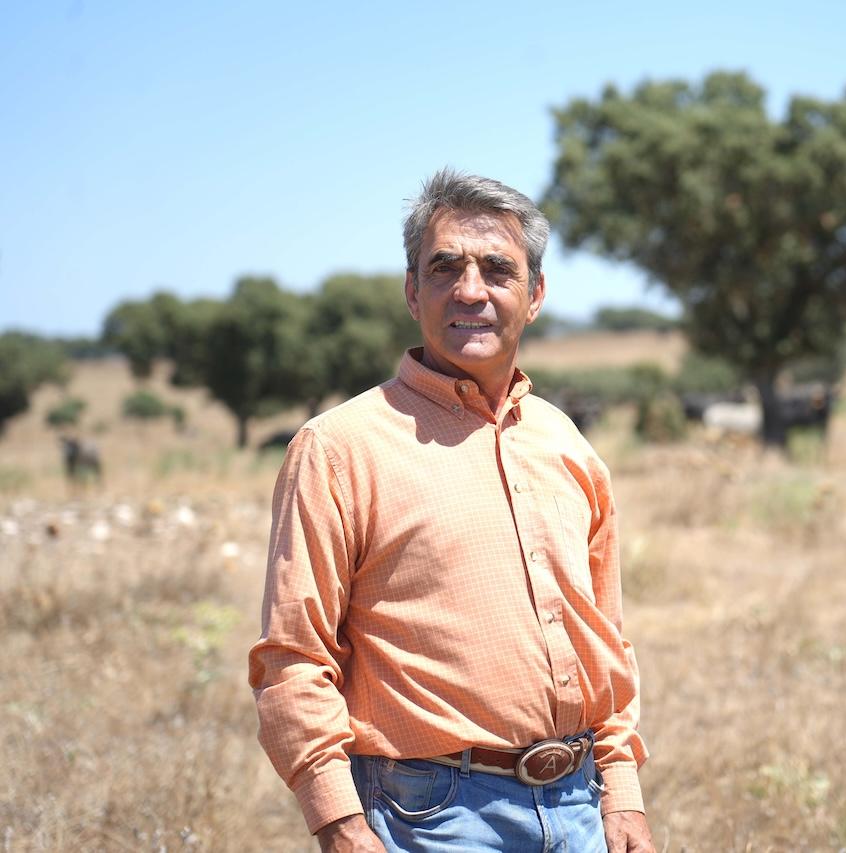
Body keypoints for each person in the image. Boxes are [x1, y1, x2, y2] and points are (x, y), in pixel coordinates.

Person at [249, 169, 653, 852]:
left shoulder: (568, 445)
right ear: (413, 291)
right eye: (445, 268)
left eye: (498, 270)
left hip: (582, 808)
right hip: (428, 820)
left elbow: (607, 641)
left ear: (536, 296)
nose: (471, 290)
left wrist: (623, 793)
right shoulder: (339, 448)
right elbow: (292, 657)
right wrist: (341, 824)